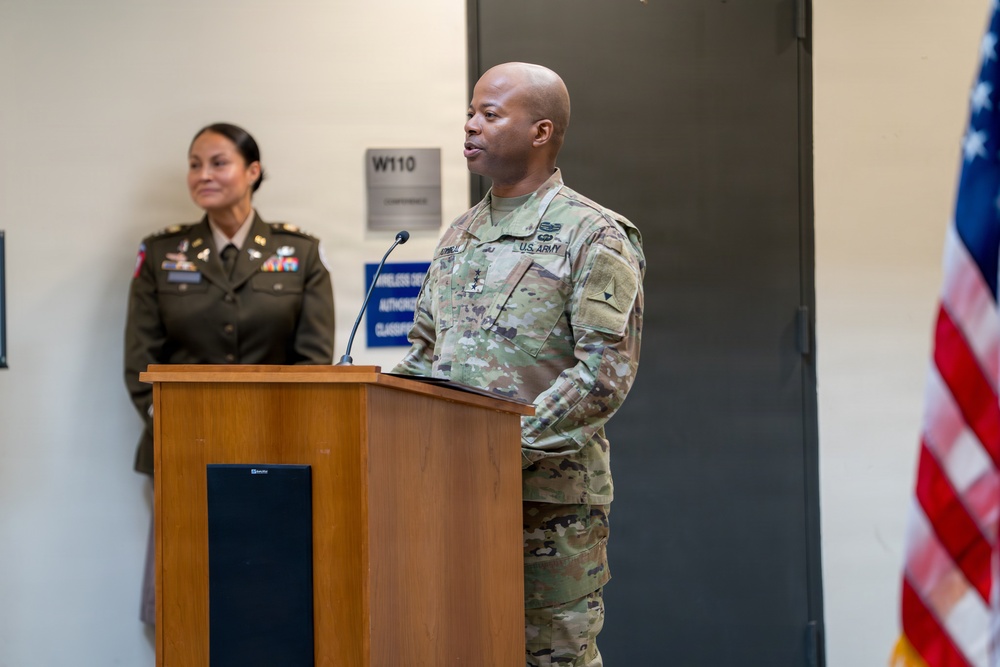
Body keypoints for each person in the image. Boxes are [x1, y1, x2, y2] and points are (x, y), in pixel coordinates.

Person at [393, 63, 644, 666]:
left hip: (547, 507)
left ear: (541, 131)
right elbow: (424, 356)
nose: (470, 124)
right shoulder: (459, 234)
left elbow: (601, 373)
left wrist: (495, 447)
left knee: (550, 659)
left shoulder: (594, 234)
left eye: (489, 113)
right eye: (471, 110)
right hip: (450, 497)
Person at [123, 122, 335, 624]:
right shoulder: (160, 254)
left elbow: (313, 359)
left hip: (279, 444)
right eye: (195, 164)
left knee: (270, 588)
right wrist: (176, 425)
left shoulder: (298, 253)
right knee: (187, 588)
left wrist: (281, 426)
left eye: (218, 162)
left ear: (252, 171)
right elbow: (140, 363)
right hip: (181, 445)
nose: (203, 174)